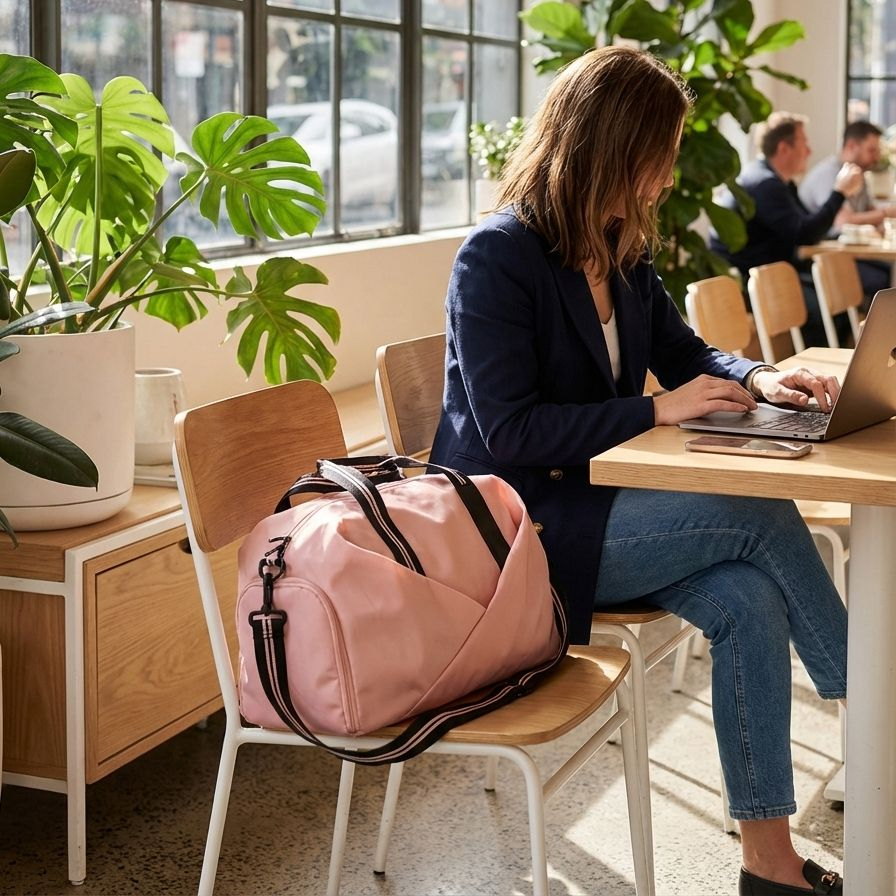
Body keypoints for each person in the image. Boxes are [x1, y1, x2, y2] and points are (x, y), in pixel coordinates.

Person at [430, 47, 847, 896]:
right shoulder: (496, 258)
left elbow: (685, 350)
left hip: (595, 511)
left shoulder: (617, 249)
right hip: (519, 537)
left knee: (750, 598)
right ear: (609, 146)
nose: (665, 175)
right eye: (659, 152)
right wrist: (658, 408)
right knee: (757, 513)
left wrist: (758, 377)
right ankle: (871, 699)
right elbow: (509, 432)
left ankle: (770, 870)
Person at [709, 111, 865, 347]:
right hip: (747, 282)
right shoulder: (765, 184)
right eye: (805, 143)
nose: (810, 151)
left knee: (839, 299)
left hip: (770, 272)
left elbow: (808, 226)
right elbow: (805, 234)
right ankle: (820, 375)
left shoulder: (778, 182)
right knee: (828, 307)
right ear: (784, 148)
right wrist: (839, 192)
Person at [799, 120, 894, 302]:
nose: (877, 157)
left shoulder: (859, 176)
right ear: (851, 146)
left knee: (890, 272)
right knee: (882, 280)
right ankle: (873, 329)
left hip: (850, 251)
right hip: (826, 255)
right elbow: (843, 222)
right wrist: (887, 213)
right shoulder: (828, 175)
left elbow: (870, 213)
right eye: (872, 150)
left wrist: (883, 220)